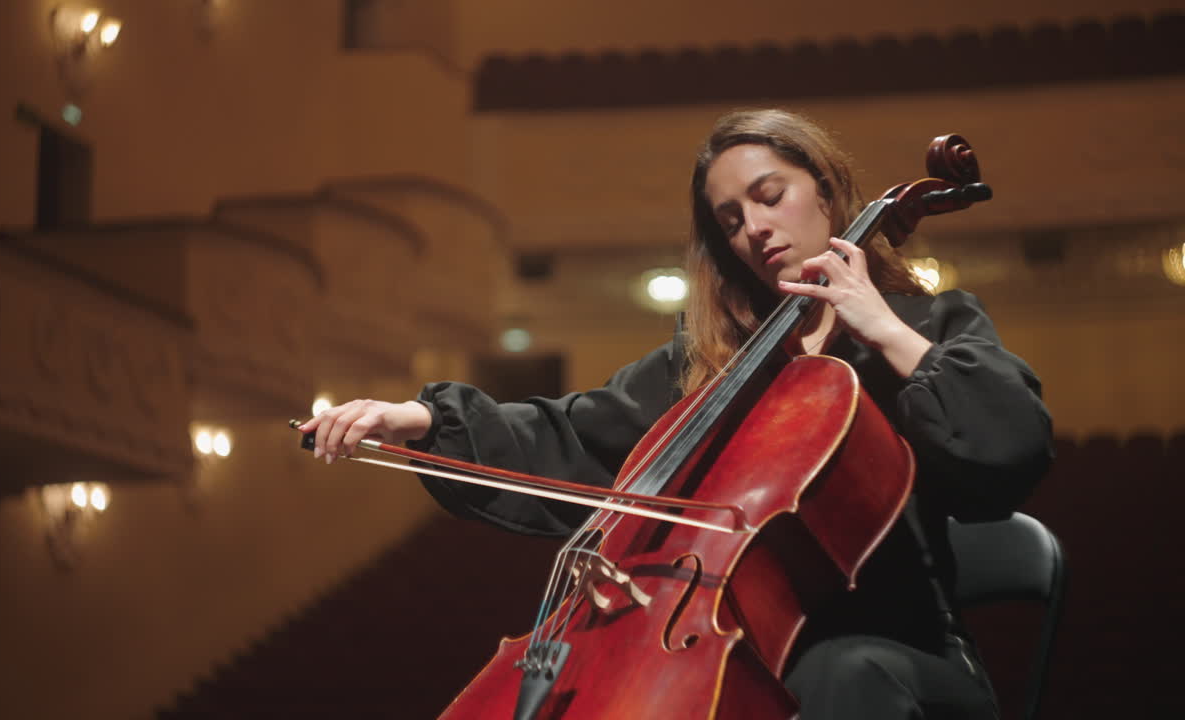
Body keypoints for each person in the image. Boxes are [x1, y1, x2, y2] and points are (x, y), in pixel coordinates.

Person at [298, 109, 1053, 719]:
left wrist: (883, 327)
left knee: (839, 673)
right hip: (732, 656)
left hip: (897, 659)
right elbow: (573, 432)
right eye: (729, 220)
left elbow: (1008, 448)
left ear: (825, 192)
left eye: (770, 195)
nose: (754, 228)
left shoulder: (934, 325)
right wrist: (421, 422)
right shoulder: (714, 370)